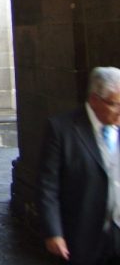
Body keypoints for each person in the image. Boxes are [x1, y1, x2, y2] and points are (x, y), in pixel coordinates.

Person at [39, 66, 120, 264]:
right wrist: (53, 232)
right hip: (82, 235)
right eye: (114, 104)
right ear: (94, 100)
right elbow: (48, 186)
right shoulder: (61, 129)